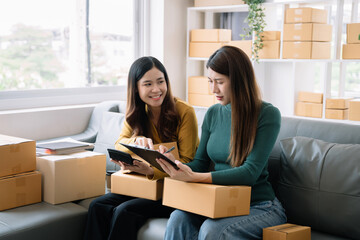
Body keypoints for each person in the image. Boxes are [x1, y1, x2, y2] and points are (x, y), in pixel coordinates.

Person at [157, 46, 287, 240]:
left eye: (220, 82)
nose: (213, 89)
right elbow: (199, 163)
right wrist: (174, 164)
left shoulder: (267, 114)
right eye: (210, 81)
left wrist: (195, 178)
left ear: (239, 81)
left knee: (213, 230)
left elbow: (250, 172)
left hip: (260, 206)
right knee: (177, 218)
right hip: (218, 201)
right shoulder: (213, 113)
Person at [83, 56, 199, 240]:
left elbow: (188, 161)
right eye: (148, 84)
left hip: (174, 190)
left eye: (161, 82)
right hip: (145, 185)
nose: (156, 89)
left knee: (125, 211)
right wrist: (136, 141)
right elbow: (120, 143)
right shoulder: (138, 112)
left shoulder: (185, 112)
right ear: (136, 88)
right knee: (97, 205)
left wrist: (151, 170)